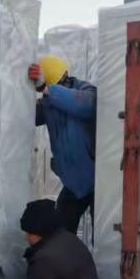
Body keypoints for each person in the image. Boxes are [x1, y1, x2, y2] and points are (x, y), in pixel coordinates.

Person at [30, 55, 96, 234]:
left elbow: (85, 105)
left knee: (100, 232)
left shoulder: (87, 91)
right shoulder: (48, 103)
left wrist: (47, 89)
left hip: (97, 180)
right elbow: (29, 115)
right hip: (73, 182)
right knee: (61, 231)